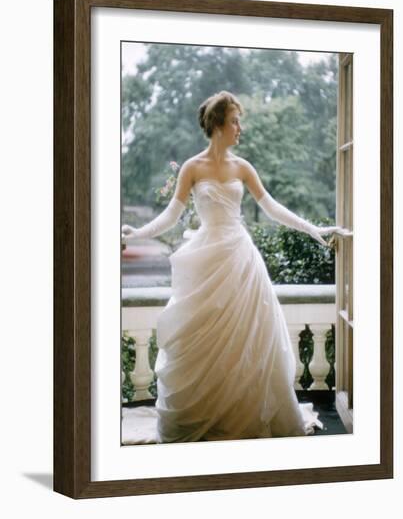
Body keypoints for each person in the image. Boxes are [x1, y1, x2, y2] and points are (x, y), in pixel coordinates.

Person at [122, 90, 346, 443]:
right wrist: (136, 234)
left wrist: (314, 230)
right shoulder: (192, 168)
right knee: (205, 341)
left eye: (239, 121)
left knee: (250, 341)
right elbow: (172, 214)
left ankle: (243, 415)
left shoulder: (243, 167)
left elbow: (272, 207)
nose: (240, 128)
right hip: (207, 260)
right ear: (217, 125)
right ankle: (208, 417)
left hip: (241, 261)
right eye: (235, 121)